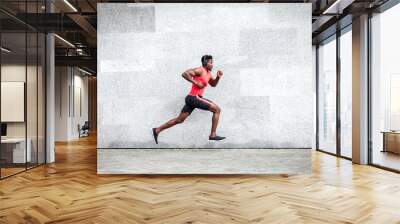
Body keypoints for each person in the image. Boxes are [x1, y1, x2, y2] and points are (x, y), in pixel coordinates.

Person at [152, 55, 225, 144]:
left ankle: (157, 130)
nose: (212, 65)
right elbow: (185, 74)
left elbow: (213, 84)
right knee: (217, 110)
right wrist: (196, 82)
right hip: (194, 98)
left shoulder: (208, 73)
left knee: (179, 120)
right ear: (206, 63)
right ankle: (212, 135)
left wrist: (218, 77)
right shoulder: (200, 70)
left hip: (192, 99)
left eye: (212, 63)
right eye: (211, 63)